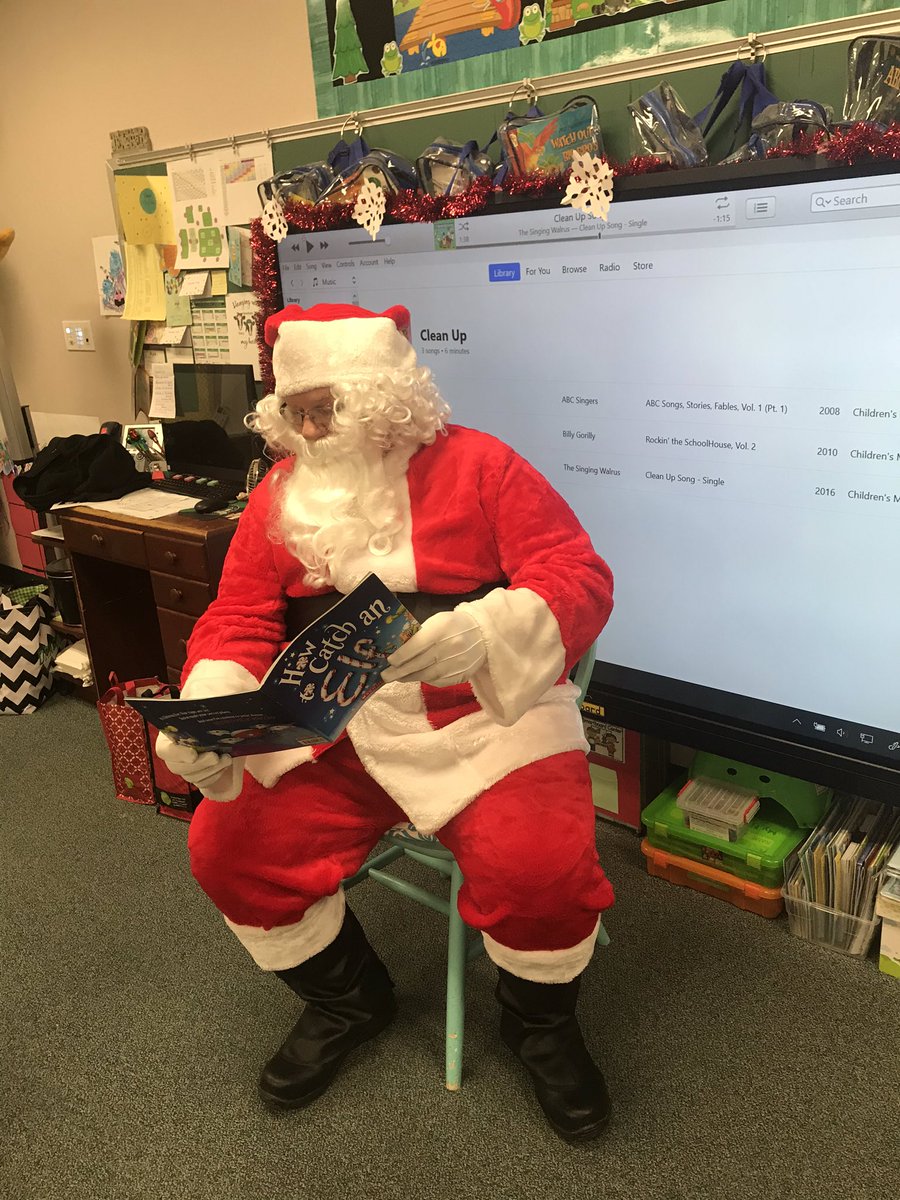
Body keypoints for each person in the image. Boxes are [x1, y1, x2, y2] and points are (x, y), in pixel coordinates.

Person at [156, 302, 616, 1142]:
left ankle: (539, 1027)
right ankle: (351, 1000)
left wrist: (487, 632)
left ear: (382, 396)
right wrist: (212, 701)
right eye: (295, 412)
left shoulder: (483, 466)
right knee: (229, 850)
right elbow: (240, 615)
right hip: (337, 725)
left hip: (483, 716)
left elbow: (576, 574)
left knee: (539, 865)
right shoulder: (278, 496)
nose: (308, 431)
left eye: (325, 408)